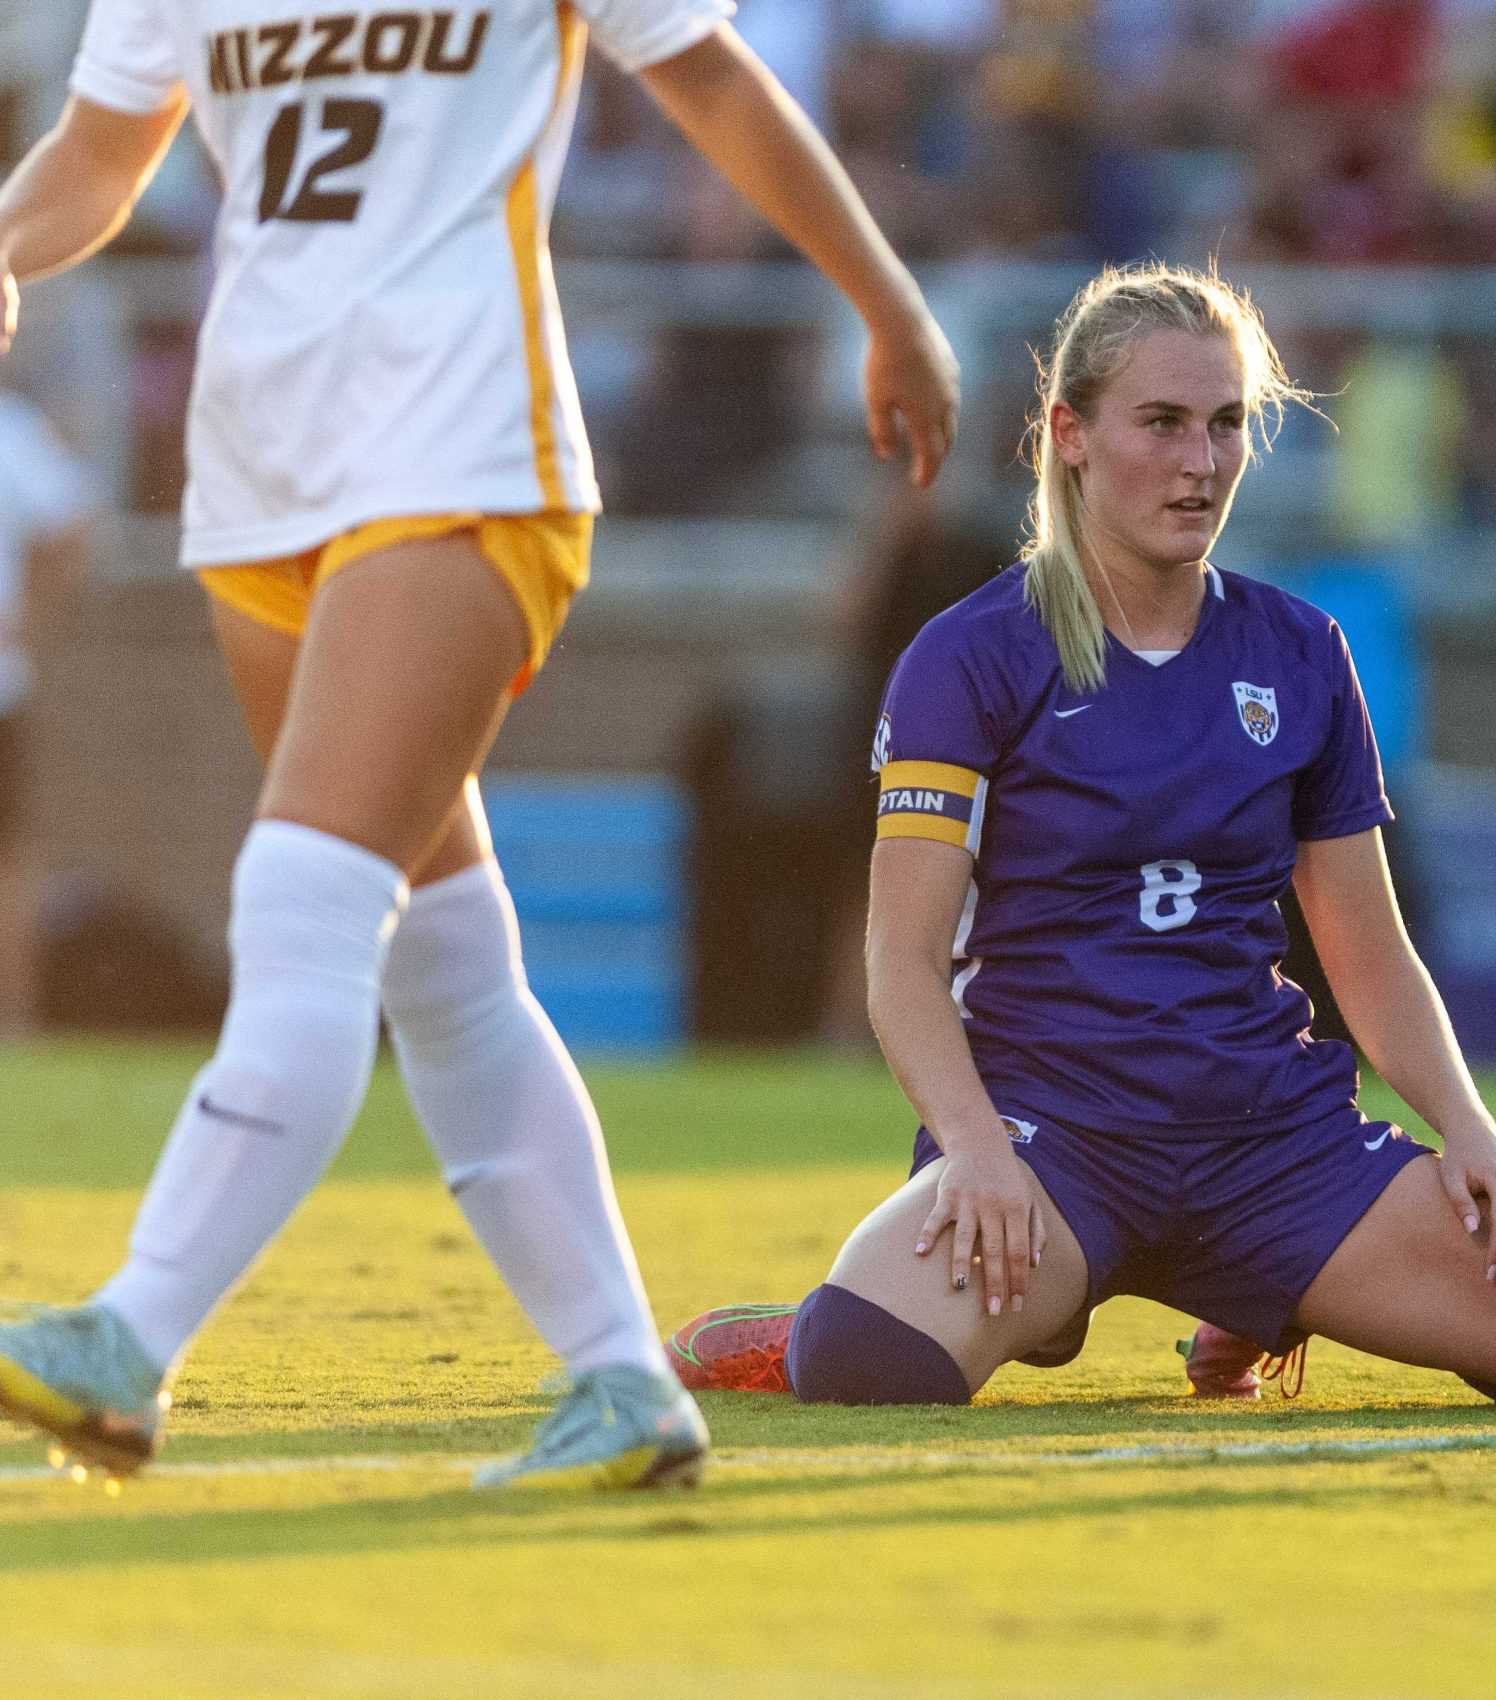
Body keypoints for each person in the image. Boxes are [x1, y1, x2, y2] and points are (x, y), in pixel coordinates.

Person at [0, 0, 959, 1487]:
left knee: (302, 905)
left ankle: (130, 1337)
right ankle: (624, 1384)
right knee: (441, 959)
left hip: (460, 452)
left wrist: (886, 304)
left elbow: (705, 75)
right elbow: (99, 158)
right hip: (256, 484)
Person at [665, 263, 1496, 1417]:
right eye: (1161, 422)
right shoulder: (968, 657)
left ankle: (1269, 1292)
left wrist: (1472, 1133)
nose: (1200, 461)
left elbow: (1368, 950)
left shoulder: (1302, 651)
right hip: (1050, 1136)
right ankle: (845, 1316)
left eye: (1225, 425)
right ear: (1068, 433)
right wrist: (971, 1149)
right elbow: (901, 960)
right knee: (868, 1364)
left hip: (1275, 1147)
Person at [0, 385, 96, 1042]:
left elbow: (73, 523)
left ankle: (12, 1022)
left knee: (8, 860)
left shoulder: (10, 429)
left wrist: (25, 626)